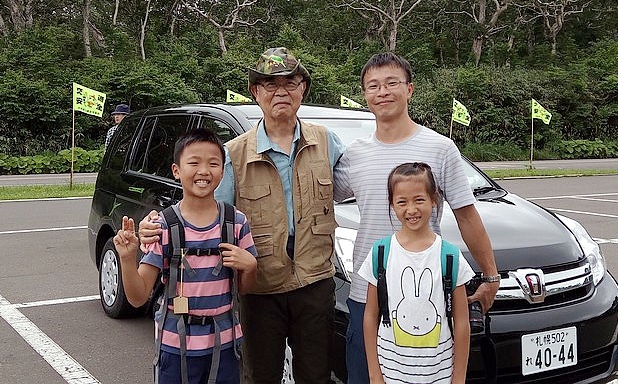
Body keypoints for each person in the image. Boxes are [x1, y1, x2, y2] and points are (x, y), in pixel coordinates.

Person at [140, 48, 345, 384]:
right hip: (259, 288)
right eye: (269, 84)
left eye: (290, 82)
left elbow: (363, 188)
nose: (281, 91)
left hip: (315, 283)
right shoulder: (233, 154)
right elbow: (203, 210)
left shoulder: (327, 142)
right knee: (259, 376)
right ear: (256, 92)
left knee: (316, 375)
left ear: (303, 88)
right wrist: (157, 223)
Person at [333, 52, 499, 383]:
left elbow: (467, 216)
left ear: (409, 89)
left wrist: (491, 276)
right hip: (367, 295)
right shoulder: (353, 155)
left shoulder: (440, 148)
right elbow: (318, 200)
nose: (382, 92)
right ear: (364, 95)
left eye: (392, 83)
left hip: (429, 298)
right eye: (373, 86)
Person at [113, 128, 258, 384]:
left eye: (213, 163)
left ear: (223, 172)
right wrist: (127, 258)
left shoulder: (235, 222)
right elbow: (137, 298)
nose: (204, 171)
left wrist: (251, 267)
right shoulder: (164, 226)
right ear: (176, 170)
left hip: (225, 345)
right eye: (194, 162)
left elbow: (245, 289)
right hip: (174, 347)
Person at [359, 162, 473, 384]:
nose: (411, 210)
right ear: (392, 204)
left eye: (419, 199)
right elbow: (371, 316)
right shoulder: (380, 253)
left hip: (440, 375)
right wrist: (375, 374)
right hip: (391, 375)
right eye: (402, 202)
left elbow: (461, 322)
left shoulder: (450, 256)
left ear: (434, 199)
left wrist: (459, 377)